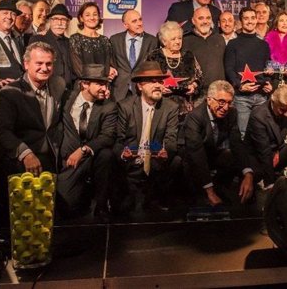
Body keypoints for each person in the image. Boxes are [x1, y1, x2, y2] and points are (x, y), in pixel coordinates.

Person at [0, 42, 66, 223]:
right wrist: (25, 154)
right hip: (22, 159)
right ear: (26, 64)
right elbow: (3, 132)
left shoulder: (58, 84)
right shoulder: (10, 92)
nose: (44, 68)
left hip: (53, 155)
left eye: (49, 64)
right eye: (39, 63)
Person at [114, 61, 179, 211]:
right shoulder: (126, 106)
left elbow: (170, 138)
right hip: (131, 159)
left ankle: (158, 198)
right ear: (140, 86)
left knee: (176, 160)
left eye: (160, 81)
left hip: (155, 160)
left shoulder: (170, 107)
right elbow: (119, 139)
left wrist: (165, 151)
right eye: (151, 81)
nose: (157, 85)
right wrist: (124, 153)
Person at [57, 64, 117, 220]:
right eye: (99, 84)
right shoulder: (66, 98)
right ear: (84, 84)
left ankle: (102, 206)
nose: (104, 88)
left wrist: (84, 149)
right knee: (65, 208)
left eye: (106, 84)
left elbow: (108, 136)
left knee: (107, 155)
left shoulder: (108, 106)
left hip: (92, 156)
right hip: (68, 158)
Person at [181, 80, 254, 206]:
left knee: (233, 158)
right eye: (221, 102)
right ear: (209, 100)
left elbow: (237, 144)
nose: (225, 107)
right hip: (191, 160)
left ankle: (222, 189)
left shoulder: (232, 113)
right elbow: (196, 154)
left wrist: (248, 174)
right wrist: (210, 192)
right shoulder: (195, 117)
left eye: (229, 102)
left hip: (212, 155)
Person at [245, 84, 287, 188]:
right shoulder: (258, 116)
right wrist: (271, 184)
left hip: (275, 151)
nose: (286, 114)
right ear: (273, 102)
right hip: (258, 159)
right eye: (283, 110)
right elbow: (264, 152)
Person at [224, 7, 272, 136]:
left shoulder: (264, 45)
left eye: (252, 18)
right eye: (246, 18)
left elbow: (268, 67)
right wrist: (240, 85)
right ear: (241, 21)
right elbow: (229, 69)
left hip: (261, 97)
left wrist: (268, 82)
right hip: (241, 98)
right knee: (243, 134)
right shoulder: (232, 44)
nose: (250, 21)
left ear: (256, 20)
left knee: (261, 134)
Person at [147, 21, 202, 119]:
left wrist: (194, 86)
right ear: (164, 41)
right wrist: (158, 87)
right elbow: (146, 79)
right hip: (160, 106)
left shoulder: (188, 56)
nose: (178, 42)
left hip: (185, 109)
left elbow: (199, 77)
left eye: (180, 38)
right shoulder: (154, 56)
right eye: (173, 39)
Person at [109, 9, 158, 102]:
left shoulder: (152, 41)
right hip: (119, 90)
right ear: (125, 25)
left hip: (141, 89)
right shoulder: (115, 40)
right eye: (134, 21)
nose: (139, 23)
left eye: (140, 19)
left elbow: (153, 67)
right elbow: (111, 63)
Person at [68, 1, 117, 82]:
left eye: (95, 14)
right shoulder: (75, 39)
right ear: (81, 18)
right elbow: (79, 70)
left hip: (105, 86)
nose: (92, 18)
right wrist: (105, 71)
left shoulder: (105, 40)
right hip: (84, 87)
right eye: (87, 15)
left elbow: (112, 65)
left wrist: (111, 71)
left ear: (98, 17)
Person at [30, 3, 75, 89]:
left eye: (63, 20)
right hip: (47, 90)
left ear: (68, 22)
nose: (60, 23)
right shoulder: (38, 39)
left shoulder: (71, 42)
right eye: (56, 19)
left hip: (69, 92)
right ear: (50, 21)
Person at [182, 6, 226, 93]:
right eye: (201, 18)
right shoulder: (185, 40)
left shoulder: (219, 38)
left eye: (208, 18)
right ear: (193, 21)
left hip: (219, 92)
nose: (205, 21)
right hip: (196, 93)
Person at [264, 10, 287, 89]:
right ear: (276, 23)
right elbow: (263, 62)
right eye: (281, 21)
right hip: (272, 82)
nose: (284, 23)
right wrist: (268, 68)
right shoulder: (266, 41)